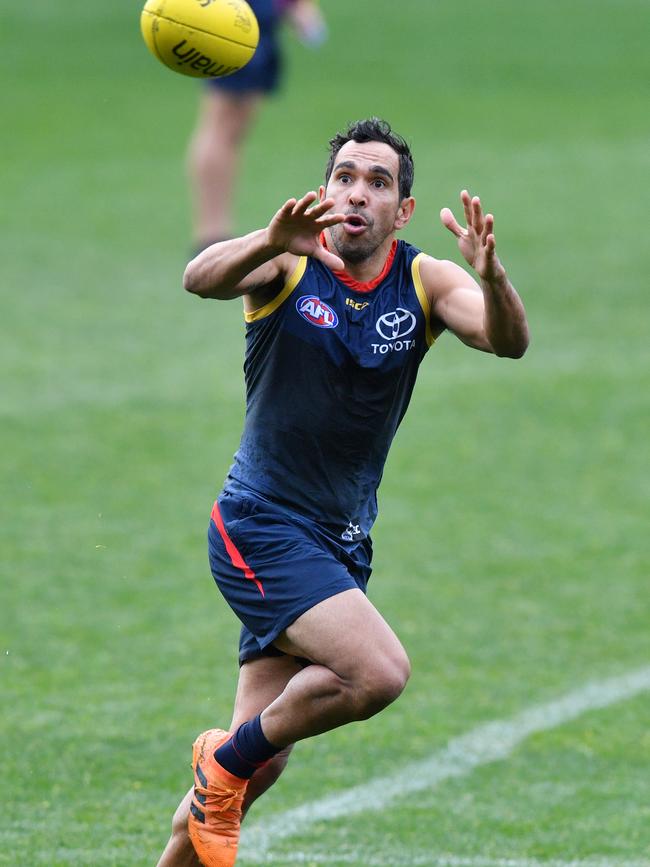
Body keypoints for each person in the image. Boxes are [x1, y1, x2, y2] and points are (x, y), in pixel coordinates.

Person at [157, 117, 530, 867]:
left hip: (340, 543)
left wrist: (492, 277)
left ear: (404, 209)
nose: (359, 193)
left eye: (379, 182)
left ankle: (227, 768)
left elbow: (505, 339)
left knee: (256, 770)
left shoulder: (423, 280)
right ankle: (222, 760)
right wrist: (268, 240)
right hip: (257, 525)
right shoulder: (290, 264)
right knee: (377, 672)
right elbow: (200, 279)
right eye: (346, 177)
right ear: (326, 191)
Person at [188, 0, 327, 253]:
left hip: (248, 19)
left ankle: (214, 232)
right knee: (223, 123)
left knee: (231, 128)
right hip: (231, 19)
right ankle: (211, 234)